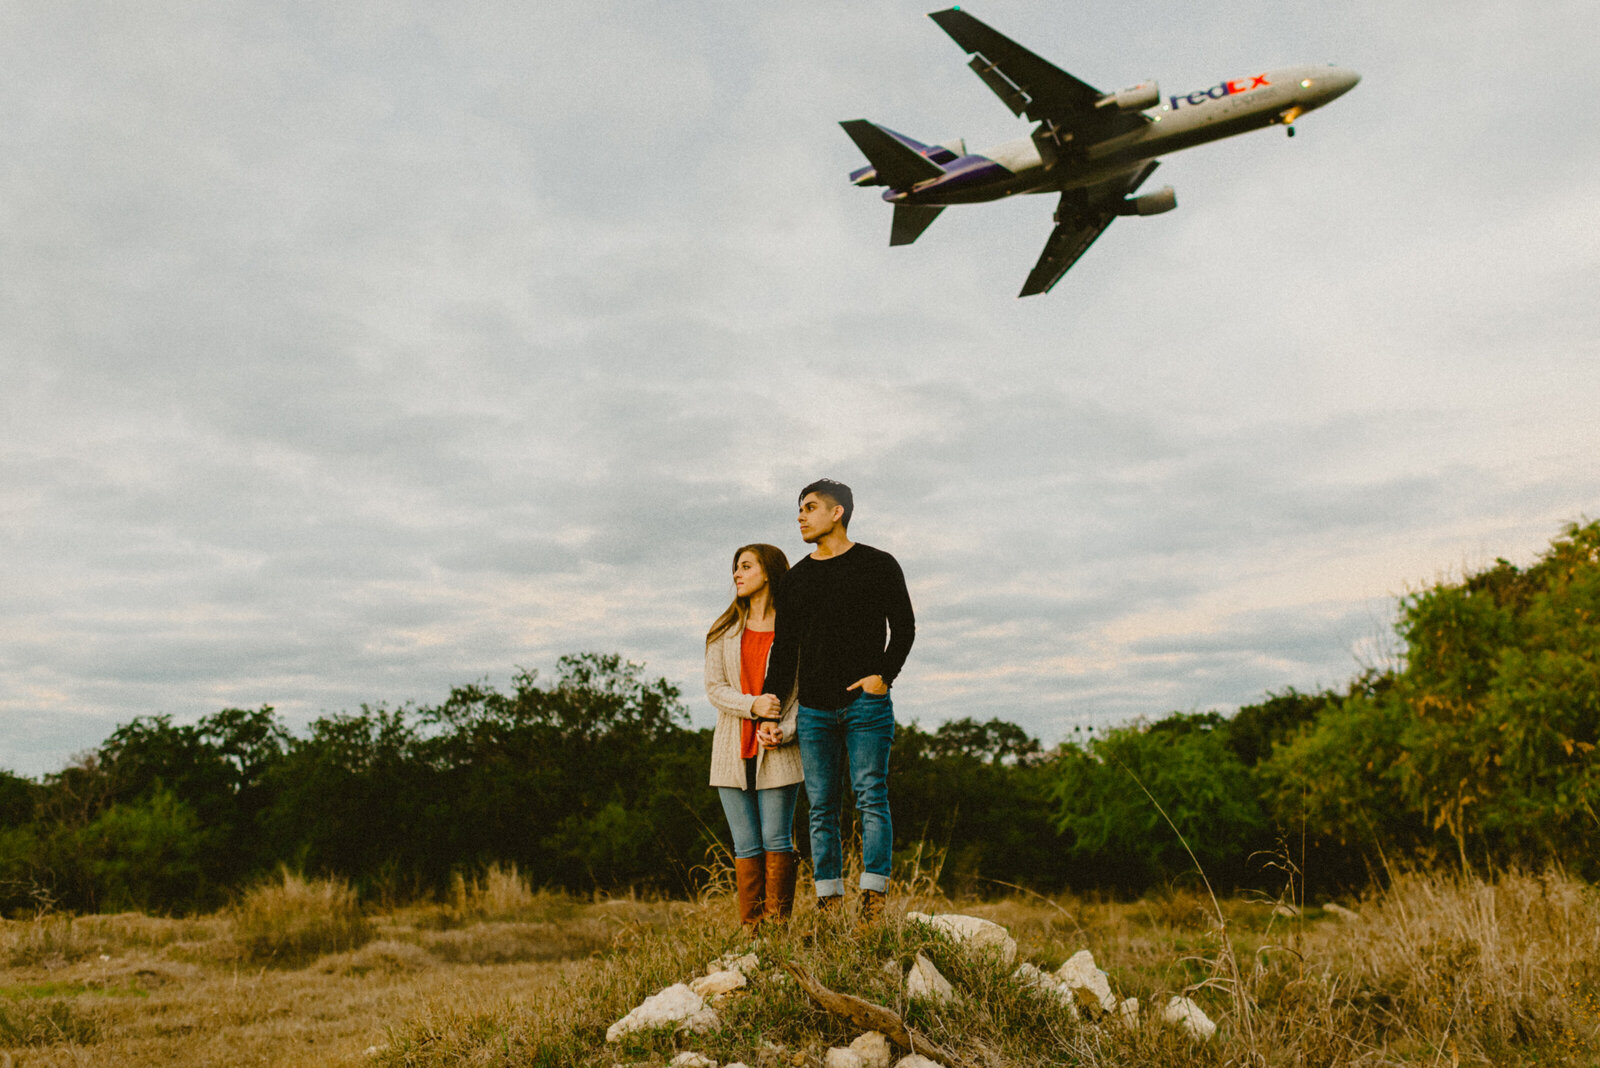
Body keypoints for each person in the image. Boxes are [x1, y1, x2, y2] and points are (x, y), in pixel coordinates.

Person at [762, 479, 915, 925]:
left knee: (870, 796)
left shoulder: (878, 564)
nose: (800, 517)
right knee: (822, 806)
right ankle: (828, 903)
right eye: (799, 510)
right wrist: (770, 708)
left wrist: (883, 677)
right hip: (813, 710)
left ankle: (873, 900)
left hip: (866, 706)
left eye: (809, 508)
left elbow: (903, 628)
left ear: (837, 513)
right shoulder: (796, 579)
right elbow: (783, 650)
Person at [704, 543, 804, 932]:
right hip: (731, 750)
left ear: (769, 572)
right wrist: (754, 706)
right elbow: (714, 689)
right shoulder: (723, 630)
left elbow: (802, 691)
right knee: (746, 847)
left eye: (746, 566)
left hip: (777, 750)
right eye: (735, 568)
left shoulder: (794, 628)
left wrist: (785, 728)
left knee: (777, 840)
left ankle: (777, 934)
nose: (737, 574)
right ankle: (752, 936)